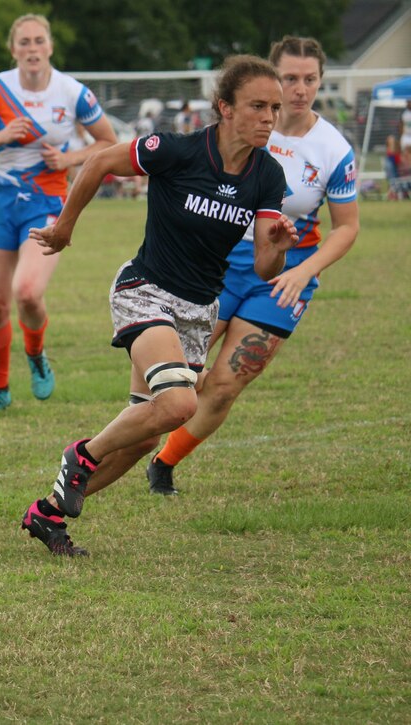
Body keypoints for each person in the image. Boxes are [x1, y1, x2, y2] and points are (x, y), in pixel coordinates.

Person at [18, 55, 298, 556]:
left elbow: (263, 269)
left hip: (198, 312)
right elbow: (101, 160)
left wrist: (277, 245)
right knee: (179, 404)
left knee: (145, 435)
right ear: (224, 108)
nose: (269, 118)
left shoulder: (268, 176)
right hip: (144, 290)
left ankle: (48, 513)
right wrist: (63, 228)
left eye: (275, 108)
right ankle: (80, 455)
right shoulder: (178, 150)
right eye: (257, 106)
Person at [145, 36, 360, 494]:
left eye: (310, 79)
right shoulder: (247, 124)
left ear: (321, 81)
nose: (299, 90)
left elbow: (346, 227)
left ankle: (163, 464)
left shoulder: (334, 150)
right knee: (181, 370)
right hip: (216, 261)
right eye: (289, 79)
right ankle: (125, 441)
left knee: (225, 383)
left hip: (284, 273)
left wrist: (305, 270)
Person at [0, 13, 117, 415]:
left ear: (50, 47)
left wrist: (68, 158)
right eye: (23, 42)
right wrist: (1, 135)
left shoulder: (72, 92)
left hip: (46, 202)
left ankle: (37, 354)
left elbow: (109, 143)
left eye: (38, 41)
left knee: (27, 292)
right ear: (13, 50)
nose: (31, 49)